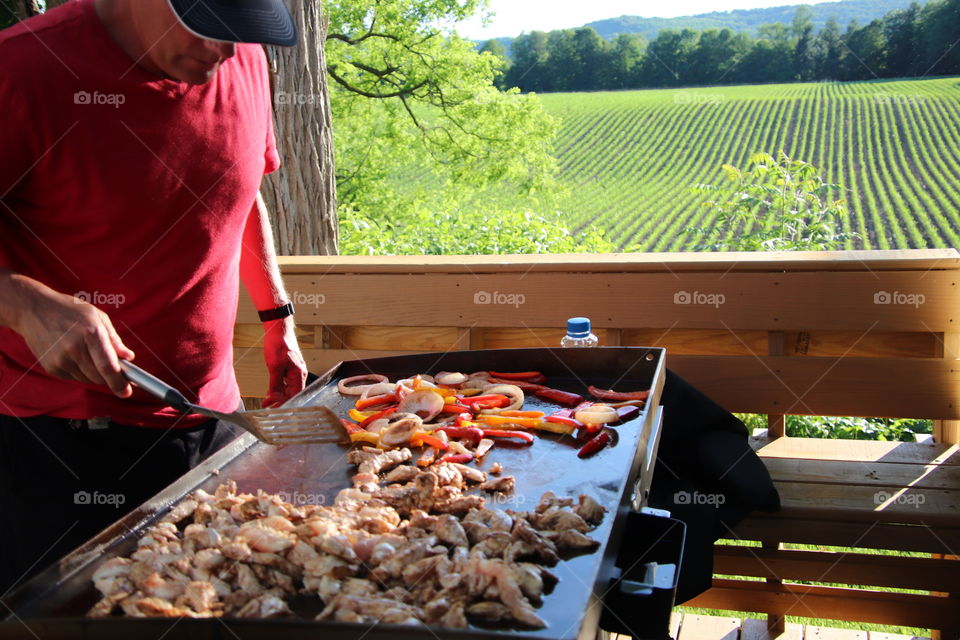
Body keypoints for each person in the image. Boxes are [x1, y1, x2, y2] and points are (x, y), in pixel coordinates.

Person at [0, 0, 305, 595]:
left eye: (240, 33)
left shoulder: (241, 55)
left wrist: (277, 318)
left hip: (213, 423)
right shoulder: (21, 69)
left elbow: (238, 187)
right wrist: (24, 302)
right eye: (208, 27)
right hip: (59, 442)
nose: (225, 51)